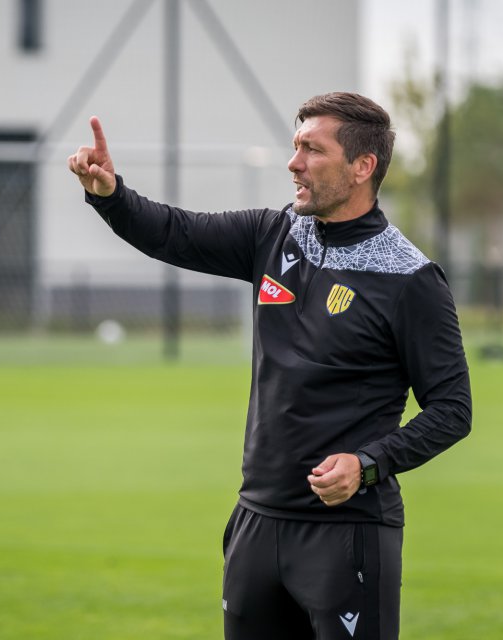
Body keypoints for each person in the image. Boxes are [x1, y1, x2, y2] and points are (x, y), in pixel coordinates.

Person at [69, 92, 472, 640]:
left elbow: (452, 410)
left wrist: (367, 464)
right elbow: (174, 232)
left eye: (312, 149)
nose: (293, 163)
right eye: (295, 146)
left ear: (362, 166)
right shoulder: (272, 233)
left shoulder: (410, 278)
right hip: (256, 523)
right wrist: (111, 196)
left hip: (346, 532)